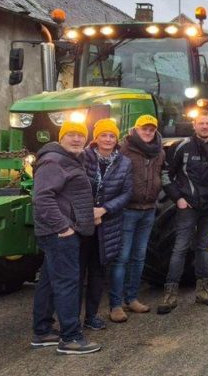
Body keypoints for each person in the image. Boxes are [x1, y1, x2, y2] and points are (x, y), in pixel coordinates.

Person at [31, 120, 101, 355]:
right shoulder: (53, 161)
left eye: (80, 135)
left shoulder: (70, 160)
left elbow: (68, 196)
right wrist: (63, 227)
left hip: (61, 231)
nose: (77, 139)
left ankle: (42, 331)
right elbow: (42, 198)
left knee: (50, 280)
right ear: (61, 137)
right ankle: (70, 337)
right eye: (70, 134)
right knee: (68, 282)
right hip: (59, 233)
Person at [158, 111, 208, 314]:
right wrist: (177, 198)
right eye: (201, 123)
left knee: (203, 247)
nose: (205, 126)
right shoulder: (182, 147)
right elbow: (166, 174)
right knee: (180, 247)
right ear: (194, 125)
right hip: (187, 205)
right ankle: (170, 293)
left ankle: (203, 290)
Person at [108, 114, 165, 322]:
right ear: (136, 129)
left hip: (148, 210)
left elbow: (161, 174)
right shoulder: (124, 149)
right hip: (127, 210)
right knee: (121, 257)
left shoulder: (159, 151)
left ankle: (131, 298)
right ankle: (116, 304)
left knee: (139, 256)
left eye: (151, 129)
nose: (148, 132)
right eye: (144, 129)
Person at [80, 119, 132, 330]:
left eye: (112, 136)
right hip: (82, 222)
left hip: (108, 224)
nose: (108, 139)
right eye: (104, 135)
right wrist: (89, 211)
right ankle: (72, 318)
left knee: (98, 272)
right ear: (96, 138)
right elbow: (76, 187)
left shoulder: (124, 163)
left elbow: (127, 193)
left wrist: (104, 209)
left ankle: (91, 316)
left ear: (116, 139)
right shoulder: (83, 157)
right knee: (77, 272)